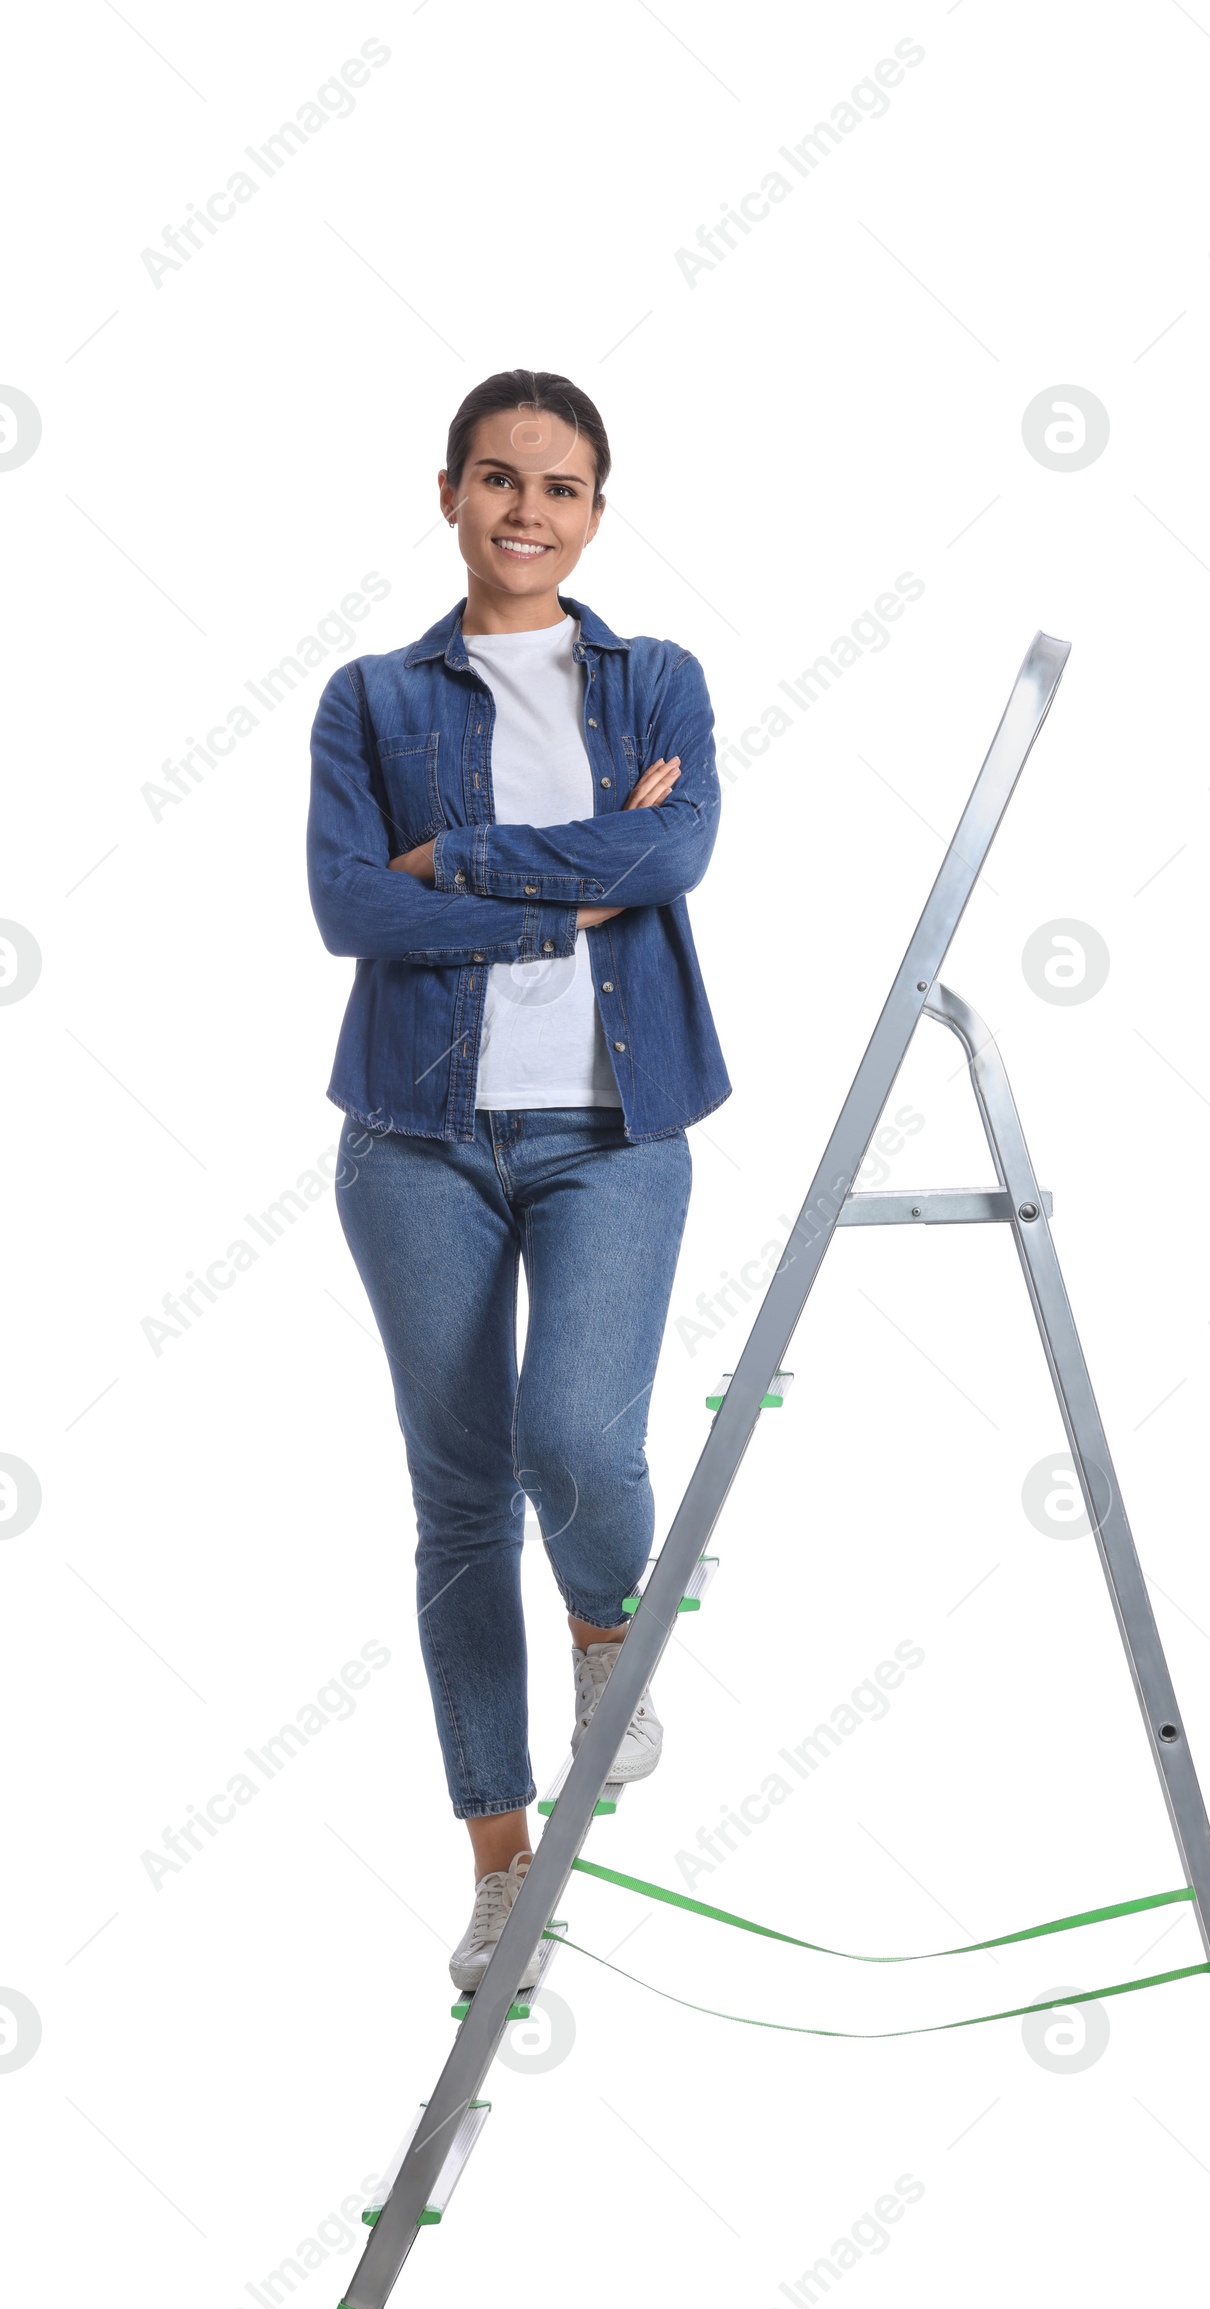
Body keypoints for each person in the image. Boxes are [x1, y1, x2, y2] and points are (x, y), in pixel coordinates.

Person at [305, 369, 730, 1996]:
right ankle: (501, 1867)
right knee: (460, 1499)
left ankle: (610, 1631)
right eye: (497, 480)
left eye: (558, 488)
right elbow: (351, 911)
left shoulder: (658, 678)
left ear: (596, 513)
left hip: (615, 1126)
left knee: (577, 1442)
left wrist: (459, 865)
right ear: (448, 495)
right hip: (415, 1139)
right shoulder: (373, 698)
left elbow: (678, 858)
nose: (525, 512)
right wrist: (572, 887)